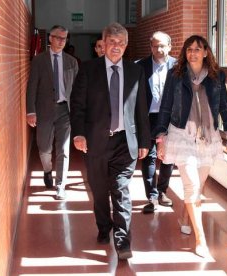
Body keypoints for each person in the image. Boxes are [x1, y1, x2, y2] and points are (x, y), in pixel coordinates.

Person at [153, 35, 227, 257]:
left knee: (198, 185)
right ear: (185, 53)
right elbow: (166, 105)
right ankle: (200, 240)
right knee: (192, 185)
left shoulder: (216, 76)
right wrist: (160, 136)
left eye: (197, 49)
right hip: (181, 135)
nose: (193, 53)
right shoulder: (176, 75)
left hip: (207, 137)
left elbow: (225, 106)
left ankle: (185, 215)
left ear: (205, 52)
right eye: (189, 49)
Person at [70, 22, 150, 260]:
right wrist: (79, 133)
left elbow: (141, 109)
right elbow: (78, 106)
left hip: (125, 143)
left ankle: (123, 242)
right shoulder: (88, 70)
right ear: (103, 44)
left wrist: (144, 141)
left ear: (126, 46)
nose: (116, 47)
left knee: (122, 191)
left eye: (121, 43)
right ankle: (104, 226)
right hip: (95, 142)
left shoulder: (135, 71)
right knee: (99, 189)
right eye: (112, 42)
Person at [26, 25, 79, 200]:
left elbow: (78, 89)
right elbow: (32, 86)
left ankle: (60, 185)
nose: (62, 41)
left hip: (65, 110)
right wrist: (31, 111)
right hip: (44, 111)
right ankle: (48, 170)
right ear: (50, 38)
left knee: (63, 148)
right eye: (58, 37)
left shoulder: (72, 62)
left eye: (65, 38)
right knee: (44, 147)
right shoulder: (39, 61)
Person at [136, 31, 177, 213]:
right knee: (149, 156)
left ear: (170, 46)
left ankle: (162, 191)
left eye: (162, 45)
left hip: (170, 117)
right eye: (155, 45)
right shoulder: (140, 66)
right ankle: (151, 196)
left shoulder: (178, 67)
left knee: (168, 156)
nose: (159, 49)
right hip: (148, 117)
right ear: (150, 47)